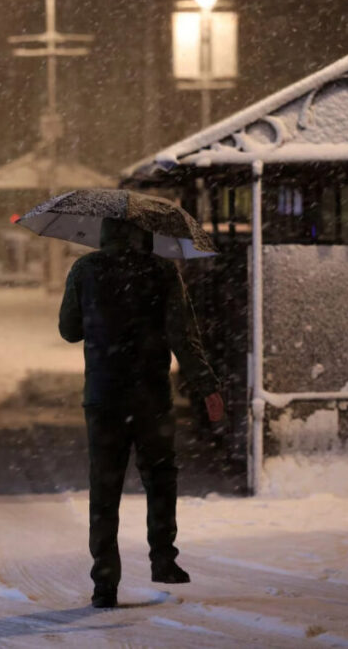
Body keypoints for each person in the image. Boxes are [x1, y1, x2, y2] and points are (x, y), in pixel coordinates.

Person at [58, 218, 224, 609]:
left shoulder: (85, 269)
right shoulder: (162, 270)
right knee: (160, 477)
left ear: (104, 232)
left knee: (104, 489)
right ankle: (163, 558)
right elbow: (183, 335)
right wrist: (207, 386)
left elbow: (69, 330)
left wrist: (98, 312)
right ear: (146, 233)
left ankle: (104, 584)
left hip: (103, 396)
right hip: (151, 397)